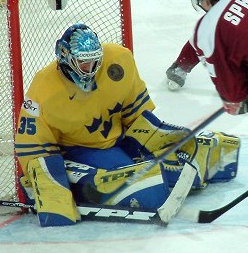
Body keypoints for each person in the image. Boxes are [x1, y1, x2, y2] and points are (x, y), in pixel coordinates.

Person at [15, 23, 240, 227]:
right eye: (84, 63)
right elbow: (32, 148)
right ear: (66, 59)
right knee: (149, 187)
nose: (91, 68)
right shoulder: (43, 91)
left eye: (95, 60)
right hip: (78, 151)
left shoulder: (118, 60)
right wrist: (50, 191)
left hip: (119, 140)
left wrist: (163, 138)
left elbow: (136, 114)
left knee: (187, 152)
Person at [166, 0, 248, 115]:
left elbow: (224, 74)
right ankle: (181, 66)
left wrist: (235, 99)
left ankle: (181, 66)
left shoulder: (209, 27)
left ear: (207, 2)